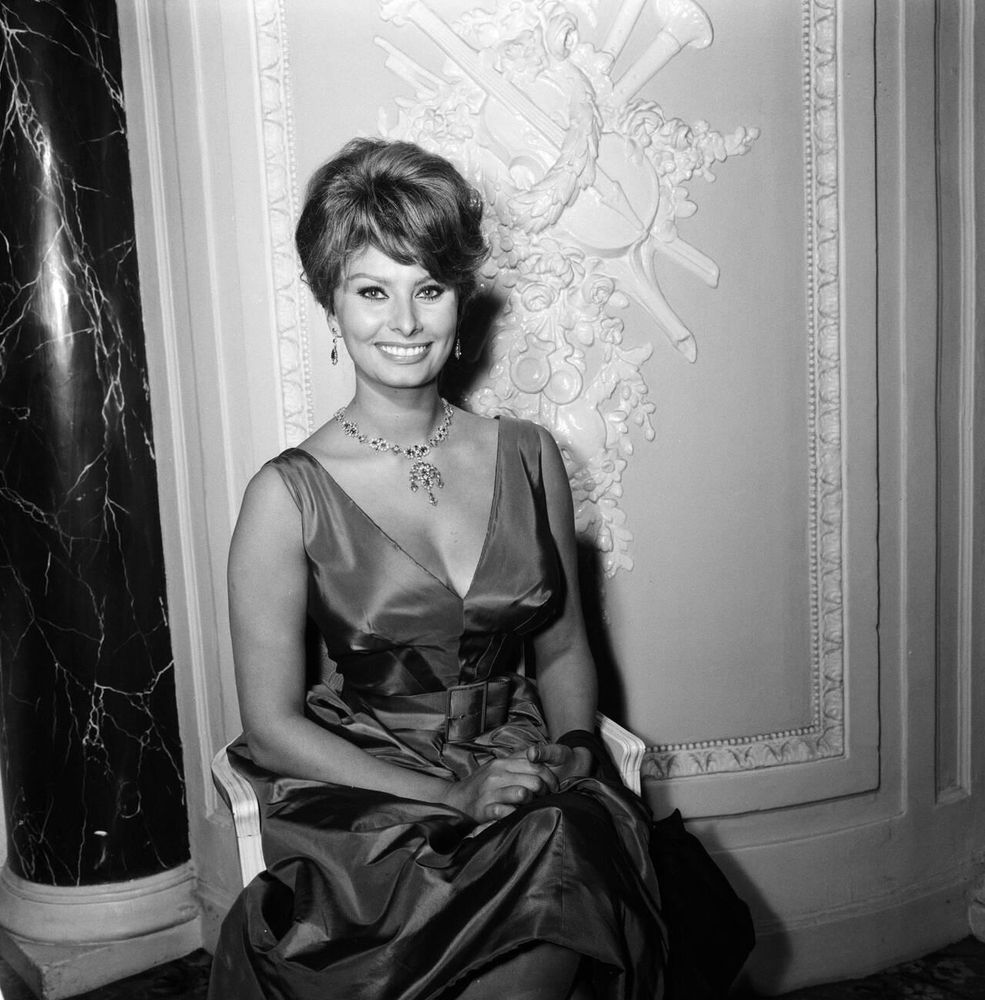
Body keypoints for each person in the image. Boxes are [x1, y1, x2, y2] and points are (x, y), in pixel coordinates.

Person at [208, 137, 665, 1000]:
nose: (406, 323)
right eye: (372, 291)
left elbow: (563, 651)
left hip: (523, 761)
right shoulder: (287, 494)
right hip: (370, 789)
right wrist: (453, 793)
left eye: (429, 288)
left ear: (461, 299)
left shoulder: (529, 456)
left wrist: (569, 753)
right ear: (331, 306)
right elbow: (270, 728)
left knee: (558, 839)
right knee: (539, 861)